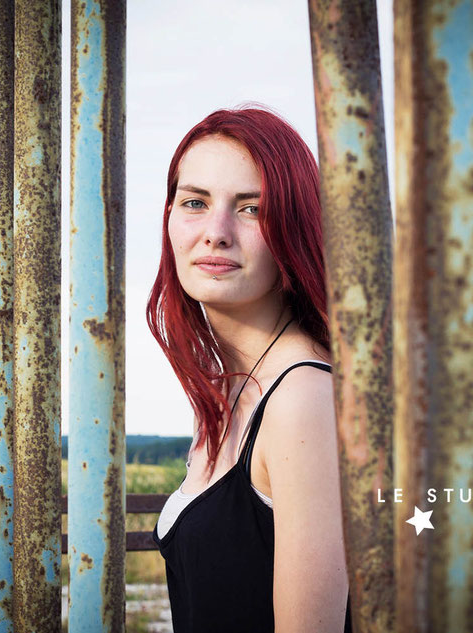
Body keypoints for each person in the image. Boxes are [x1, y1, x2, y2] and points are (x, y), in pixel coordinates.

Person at [147, 105, 353, 633]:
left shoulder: (303, 397)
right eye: (195, 202)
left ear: (294, 225)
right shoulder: (233, 389)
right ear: (169, 217)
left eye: (251, 209)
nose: (216, 232)